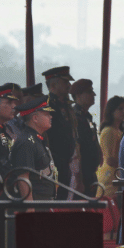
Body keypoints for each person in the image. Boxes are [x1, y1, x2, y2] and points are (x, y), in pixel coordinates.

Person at [42, 66, 81, 200]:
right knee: (56, 199)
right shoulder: (47, 106)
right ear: (53, 84)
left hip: (67, 161)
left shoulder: (66, 105)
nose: (69, 85)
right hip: (53, 160)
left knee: (66, 198)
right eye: (65, 82)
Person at [10, 97, 58, 201]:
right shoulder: (26, 142)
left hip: (42, 202)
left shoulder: (37, 139)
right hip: (35, 204)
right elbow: (23, 177)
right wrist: (30, 208)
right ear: (35, 118)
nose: (51, 117)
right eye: (46, 114)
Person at [70, 79, 102, 197]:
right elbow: (77, 149)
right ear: (78, 95)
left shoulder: (86, 116)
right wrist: (79, 179)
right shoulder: (75, 117)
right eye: (89, 92)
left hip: (90, 172)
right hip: (81, 174)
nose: (94, 95)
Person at [96, 96, 124, 198]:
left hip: (118, 175)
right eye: (120, 108)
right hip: (110, 177)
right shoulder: (109, 131)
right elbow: (110, 159)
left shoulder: (119, 131)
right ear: (111, 110)